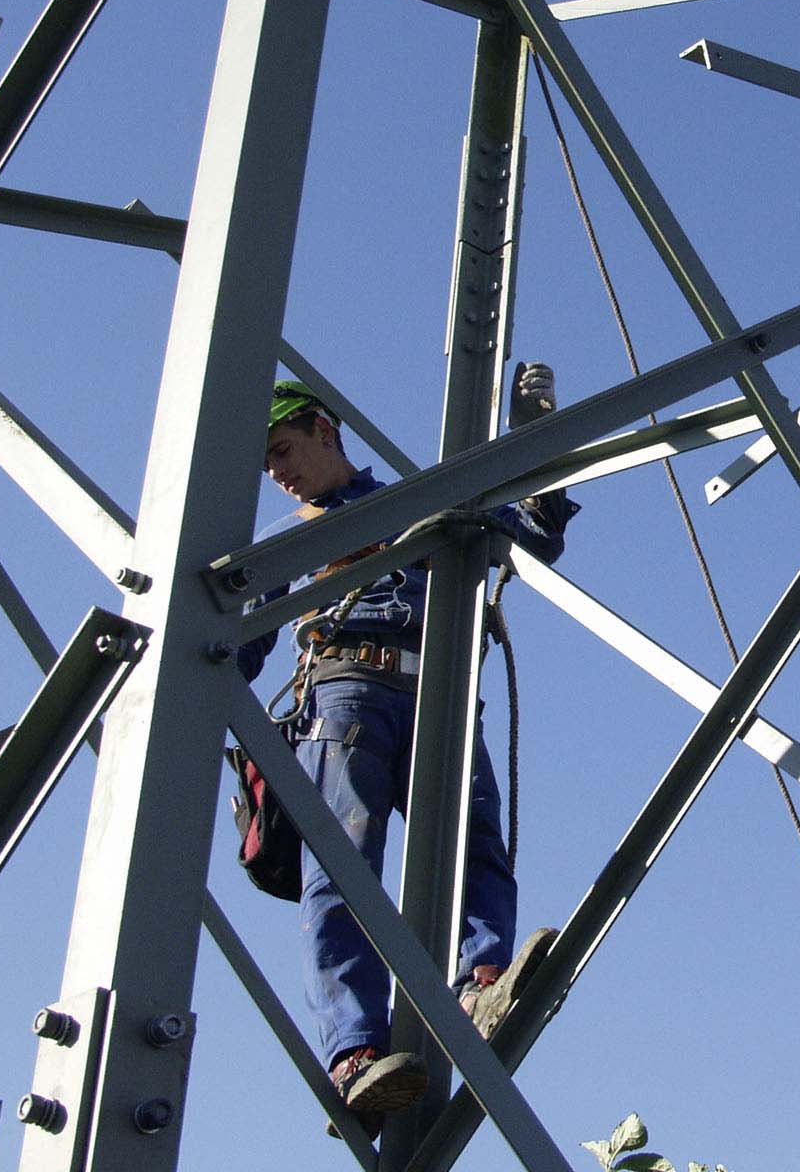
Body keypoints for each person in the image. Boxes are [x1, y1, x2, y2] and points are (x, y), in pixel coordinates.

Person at [240, 365, 578, 1135]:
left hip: (441, 692)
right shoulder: (290, 539)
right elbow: (238, 640)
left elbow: (534, 535)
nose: (281, 474)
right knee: (343, 866)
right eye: (270, 465)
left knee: (474, 846)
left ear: (326, 431)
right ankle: (357, 1052)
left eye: (286, 451)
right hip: (346, 691)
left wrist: (536, 444)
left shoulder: (417, 505)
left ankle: (481, 984)